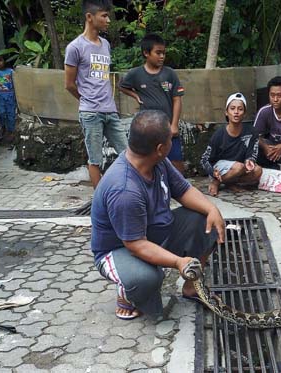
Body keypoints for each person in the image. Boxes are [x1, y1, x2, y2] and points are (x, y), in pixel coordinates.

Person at [90, 110, 225, 320]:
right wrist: (178, 262)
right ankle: (126, 294)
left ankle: (192, 287)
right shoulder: (125, 189)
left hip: (153, 233)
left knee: (206, 221)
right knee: (146, 279)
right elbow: (136, 245)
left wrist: (212, 209)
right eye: (170, 138)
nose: (173, 139)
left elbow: (183, 190)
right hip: (120, 249)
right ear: (160, 148)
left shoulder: (158, 161)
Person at [64, 0, 128, 189]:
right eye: (104, 15)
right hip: (91, 112)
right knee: (95, 159)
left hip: (110, 110)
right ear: (89, 17)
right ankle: (100, 200)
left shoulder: (106, 44)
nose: (108, 20)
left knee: (128, 152)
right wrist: (86, 99)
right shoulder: (75, 47)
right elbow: (69, 84)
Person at [119, 33, 185, 174]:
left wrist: (174, 125)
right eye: (158, 53)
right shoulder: (136, 74)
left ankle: (177, 191)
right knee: (147, 161)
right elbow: (121, 86)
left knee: (176, 163)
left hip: (167, 127)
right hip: (147, 128)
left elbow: (177, 99)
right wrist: (135, 95)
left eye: (163, 53)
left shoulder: (170, 74)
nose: (162, 56)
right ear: (146, 53)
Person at [200, 93, 262, 197]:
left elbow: (252, 154)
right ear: (226, 112)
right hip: (220, 169)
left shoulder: (252, 132)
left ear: (244, 113)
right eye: (232, 108)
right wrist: (212, 172)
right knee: (238, 167)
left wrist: (249, 161)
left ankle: (229, 183)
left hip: (240, 167)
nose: (236, 112)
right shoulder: (219, 134)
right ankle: (216, 182)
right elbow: (204, 159)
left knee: (257, 171)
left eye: (240, 109)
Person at [0, 54, 17, 147]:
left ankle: (11, 132)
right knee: (1, 113)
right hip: (0, 97)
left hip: (10, 96)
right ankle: (3, 127)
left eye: (0, 60)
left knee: (11, 114)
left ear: (4, 61)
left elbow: (15, 83)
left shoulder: (10, 71)